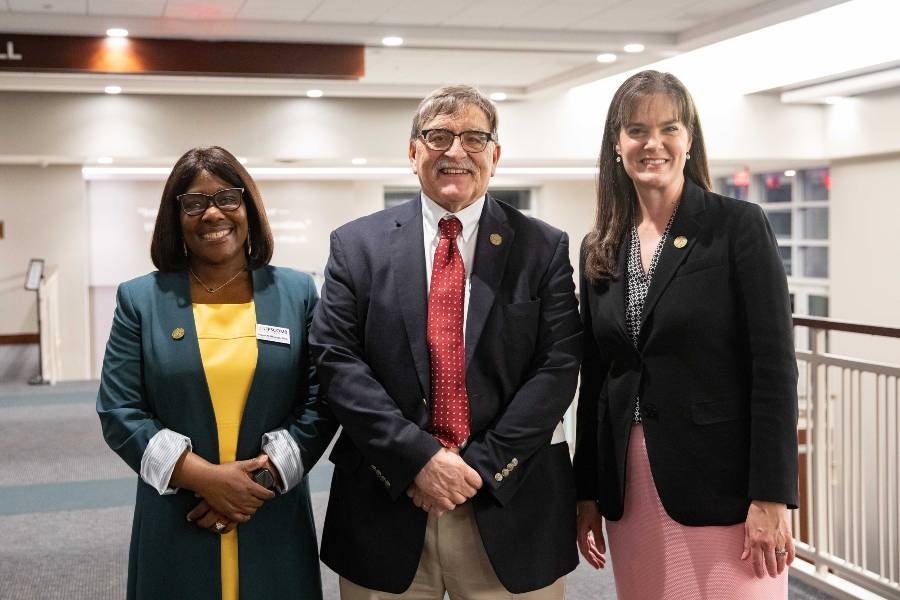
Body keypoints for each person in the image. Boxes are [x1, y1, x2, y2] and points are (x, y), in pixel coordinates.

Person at [310, 85, 583, 599]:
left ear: (495, 156)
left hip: (508, 501)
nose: (456, 151)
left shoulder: (543, 247)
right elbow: (336, 360)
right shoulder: (356, 245)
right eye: (439, 136)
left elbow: (558, 366)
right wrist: (419, 460)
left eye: (474, 138)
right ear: (413, 153)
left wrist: (475, 470)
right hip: (387, 501)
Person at [573, 70, 799, 599]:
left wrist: (771, 495)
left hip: (724, 484)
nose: (653, 143)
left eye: (669, 128)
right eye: (636, 130)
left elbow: (773, 368)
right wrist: (586, 491)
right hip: (631, 484)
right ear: (616, 143)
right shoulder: (599, 247)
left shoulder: (737, 226)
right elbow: (597, 378)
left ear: (689, 138)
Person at [96, 146, 337, 600]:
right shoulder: (140, 300)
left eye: (227, 197)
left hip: (269, 509)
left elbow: (322, 401)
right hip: (180, 511)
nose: (212, 213)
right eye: (194, 203)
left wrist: (255, 483)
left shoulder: (297, 291)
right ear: (176, 217)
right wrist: (207, 480)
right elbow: (118, 409)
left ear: (248, 207)